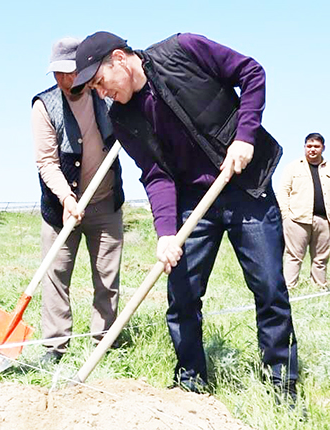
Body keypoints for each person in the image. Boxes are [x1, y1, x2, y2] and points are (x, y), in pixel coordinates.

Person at [72, 31, 298, 398]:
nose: (102, 93)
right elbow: (155, 174)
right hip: (194, 201)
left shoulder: (184, 50)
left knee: (270, 287)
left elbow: (252, 73)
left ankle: (282, 385)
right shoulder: (123, 119)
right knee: (182, 295)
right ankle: (190, 384)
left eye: (100, 82)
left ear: (118, 58)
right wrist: (165, 233)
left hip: (245, 187)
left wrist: (245, 135)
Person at [31, 37, 124, 365]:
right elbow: (46, 162)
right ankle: (54, 347)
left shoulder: (107, 96)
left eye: (69, 72)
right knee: (56, 275)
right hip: (61, 208)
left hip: (105, 202)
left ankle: (104, 341)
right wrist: (67, 198)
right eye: (57, 73)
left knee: (107, 275)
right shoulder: (44, 106)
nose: (64, 79)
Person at [277, 132, 330, 289]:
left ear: (323, 148)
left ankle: (319, 288)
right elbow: (283, 192)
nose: (312, 149)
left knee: (321, 258)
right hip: (297, 220)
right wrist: (286, 215)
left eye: (316, 146)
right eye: (309, 146)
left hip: (325, 220)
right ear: (304, 147)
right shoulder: (292, 168)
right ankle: (289, 290)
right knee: (294, 256)